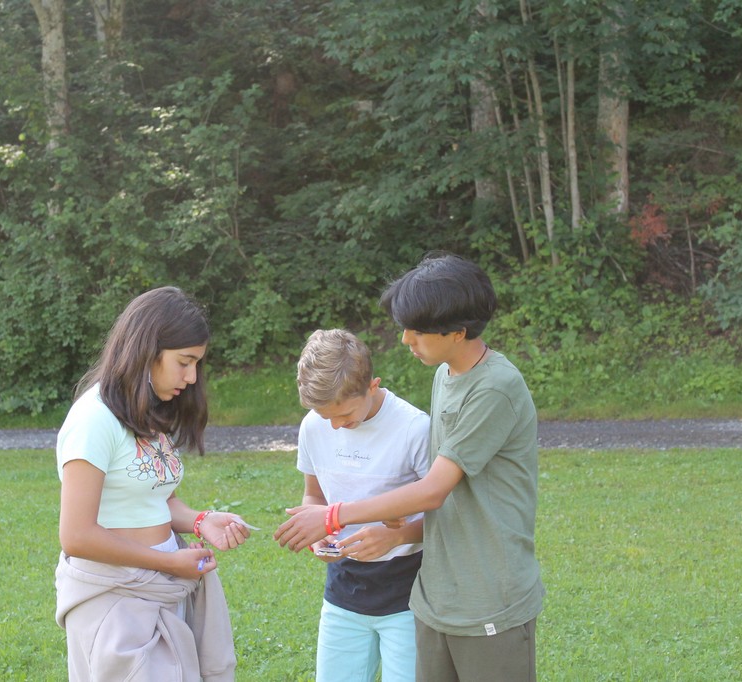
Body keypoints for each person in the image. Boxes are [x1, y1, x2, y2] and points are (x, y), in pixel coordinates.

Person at [274, 255, 544, 682]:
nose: (404, 339)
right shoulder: (447, 375)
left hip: (489, 595)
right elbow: (443, 497)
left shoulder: (495, 387)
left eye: (416, 330)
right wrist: (396, 529)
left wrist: (331, 515)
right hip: (437, 594)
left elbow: (433, 490)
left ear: (457, 332)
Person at [54, 286, 252, 682]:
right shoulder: (93, 420)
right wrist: (168, 563)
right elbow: (76, 535)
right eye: (184, 362)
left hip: (161, 584)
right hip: (116, 599)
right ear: (148, 349)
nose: (192, 376)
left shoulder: (145, 414)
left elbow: (159, 500)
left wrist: (201, 521)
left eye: (196, 364)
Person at [293, 329, 430, 682]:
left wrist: (398, 538)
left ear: (373, 386)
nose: (336, 427)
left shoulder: (415, 429)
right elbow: (315, 497)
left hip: (409, 592)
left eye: (346, 415)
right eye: (327, 418)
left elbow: (450, 513)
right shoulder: (312, 427)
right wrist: (317, 535)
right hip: (343, 591)